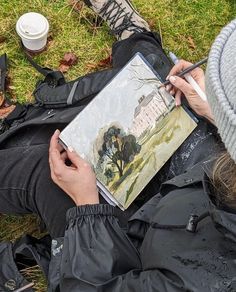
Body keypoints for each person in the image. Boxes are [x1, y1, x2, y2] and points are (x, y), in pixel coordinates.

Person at [0, 0, 236, 291]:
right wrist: (214, 110)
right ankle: (134, 35)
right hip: (191, 187)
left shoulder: (205, 279)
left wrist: (88, 207)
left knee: (46, 171)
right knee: (161, 82)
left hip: (129, 251)